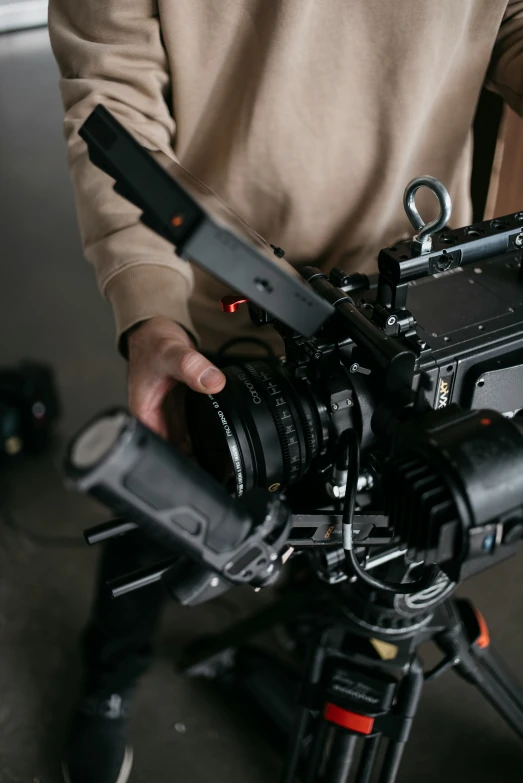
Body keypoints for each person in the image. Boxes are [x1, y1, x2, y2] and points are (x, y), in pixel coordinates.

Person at [48, 2, 523, 781]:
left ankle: (314, 621)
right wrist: (148, 310)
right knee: (163, 499)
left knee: (370, 517)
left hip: (420, 297)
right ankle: (106, 681)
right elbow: (110, 85)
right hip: (220, 299)